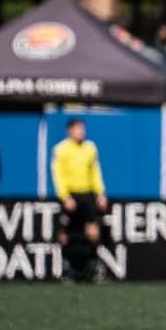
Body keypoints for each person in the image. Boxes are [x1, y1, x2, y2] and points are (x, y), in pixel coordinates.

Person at [52, 118, 108, 282]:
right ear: (69, 130)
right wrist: (64, 197)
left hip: (87, 195)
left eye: (83, 129)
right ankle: (66, 269)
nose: (81, 132)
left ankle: (94, 268)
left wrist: (100, 193)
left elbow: (95, 172)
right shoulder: (61, 149)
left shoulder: (90, 148)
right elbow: (58, 175)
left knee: (93, 231)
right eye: (78, 129)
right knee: (64, 233)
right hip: (70, 195)